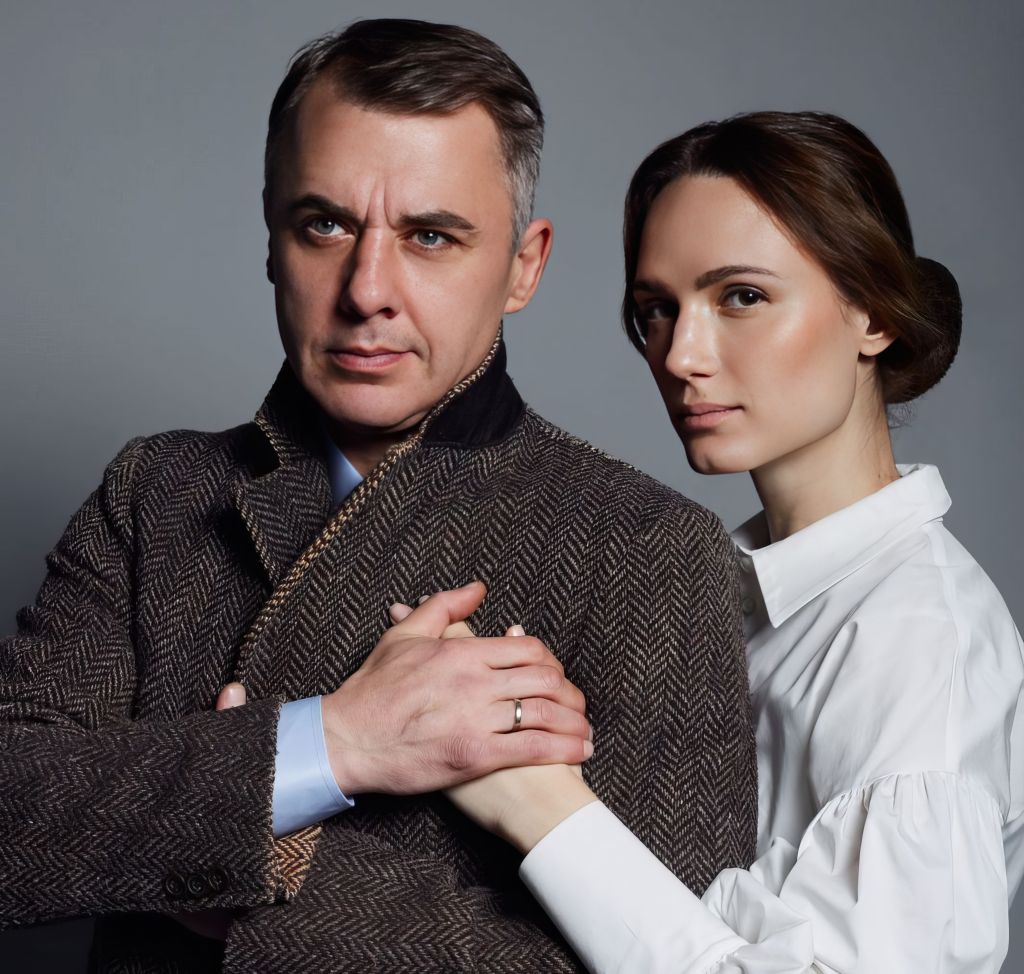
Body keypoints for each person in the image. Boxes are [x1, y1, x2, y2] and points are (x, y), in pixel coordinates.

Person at [0, 19, 757, 974]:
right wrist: (334, 743)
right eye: (325, 225)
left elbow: (667, 945)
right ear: (271, 235)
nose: (367, 291)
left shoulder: (646, 546)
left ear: (523, 265)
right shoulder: (157, 493)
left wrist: (231, 866)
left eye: (430, 237)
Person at [434, 111, 1024, 972]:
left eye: (741, 296)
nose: (681, 355)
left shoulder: (916, 648)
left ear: (873, 312)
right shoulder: (701, 593)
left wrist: (540, 808)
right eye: (656, 310)